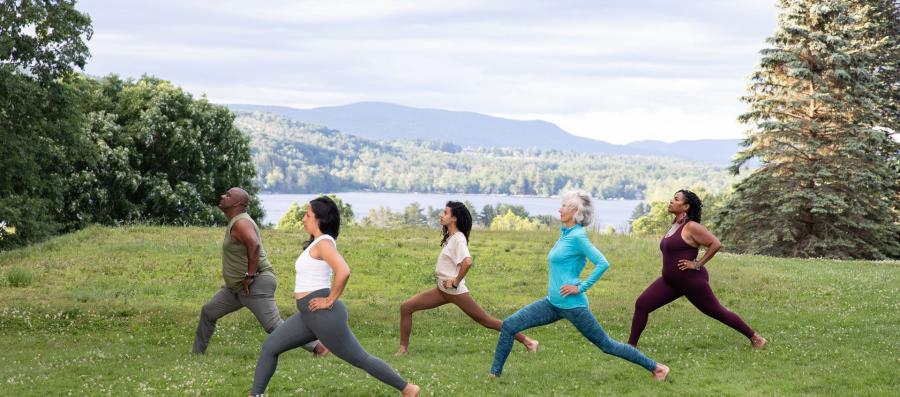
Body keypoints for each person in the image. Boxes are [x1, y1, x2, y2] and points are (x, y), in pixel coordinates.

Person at [250, 196, 420, 397]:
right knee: (271, 346)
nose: (303, 218)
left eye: (308, 214)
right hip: (310, 314)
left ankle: (407, 389)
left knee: (359, 358)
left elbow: (344, 270)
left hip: (323, 315)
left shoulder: (324, 243)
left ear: (319, 219)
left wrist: (329, 300)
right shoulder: (317, 243)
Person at [490, 190, 669, 381]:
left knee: (606, 345)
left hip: (573, 305)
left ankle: (657, 368)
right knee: (509, 325)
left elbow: (602, 263)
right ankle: (494, 375)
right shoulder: (565, 234)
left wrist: (581, 287)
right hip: (552, 303)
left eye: (564, 207)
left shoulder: (578, 236)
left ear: (576, 211)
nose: (559, 210)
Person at [192, 187, 326, 356]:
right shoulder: (237, 221)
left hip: (254, 284)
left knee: (274, 325)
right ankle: (197, 355)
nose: (222, 196)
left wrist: (249, 276)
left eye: (228, 195)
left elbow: (254, 245)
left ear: (238, 203)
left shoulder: (242, 223)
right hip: (236, 288)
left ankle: (318, 347)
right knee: (208, 312)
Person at [627, 189, 766, 349]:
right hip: (670, 281)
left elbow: (716, 244)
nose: (671, 201)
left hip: (691, 281)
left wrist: (698, 264)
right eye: (672, 198)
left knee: (716, 311)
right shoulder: (674, 225)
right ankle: (631, 347)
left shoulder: (691, 226)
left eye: (676, 199)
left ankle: (755, 338)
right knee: (642, 304)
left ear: (685, 206)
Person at [396, 201, 539, 355]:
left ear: (454, 218)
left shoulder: (458, 239)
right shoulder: (451, 237)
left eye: (445, 213)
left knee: (487, 321)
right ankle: (403, 349)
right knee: (406, 307)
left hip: (454, 292)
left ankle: (528, 341)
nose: (441, 215)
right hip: (442, 291)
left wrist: (455, 282)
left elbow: (467, 261)